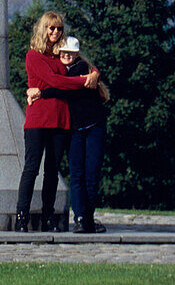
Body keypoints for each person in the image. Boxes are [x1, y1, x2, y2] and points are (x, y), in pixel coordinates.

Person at [15, 11, 99, 233]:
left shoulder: (64, 55)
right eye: (51, 28)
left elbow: (88, 67)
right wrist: (81, 81)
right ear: (43, 29)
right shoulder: (33, 56)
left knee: (53, 172)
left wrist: (94, 74)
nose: (55, 32)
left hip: (61, 120)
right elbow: (56, 81)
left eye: (59, 28)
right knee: (31, 169)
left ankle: (48, 217)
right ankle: (21, 216)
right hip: (37, 121)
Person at [28, 36, 109, 233]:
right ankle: (82, 217)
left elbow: (63, 87)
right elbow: (59, 85)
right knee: (78, 175)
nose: (66, 55)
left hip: (93, 125)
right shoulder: (66, 71)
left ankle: (86, 217)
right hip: (75, 129)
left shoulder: (81, 69)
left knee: (89, 174)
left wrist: (40, 92)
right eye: (63, 52)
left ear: (76, 54)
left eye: (70, 53)